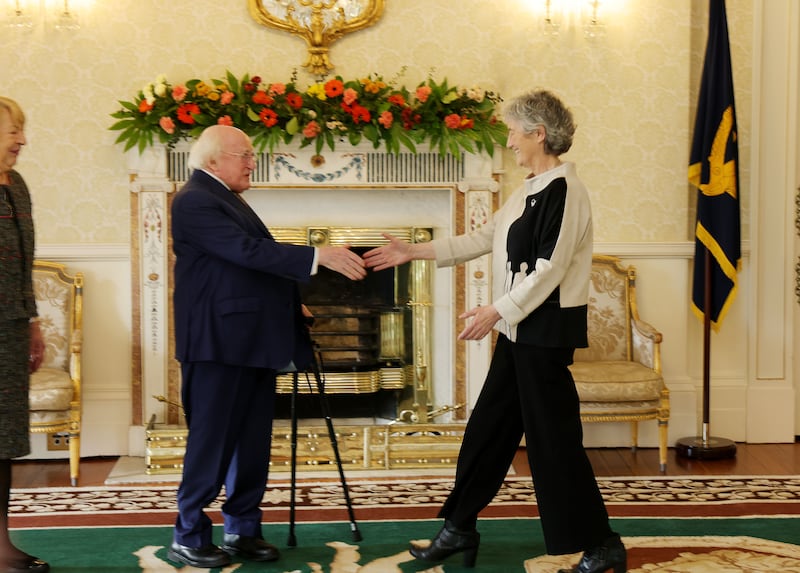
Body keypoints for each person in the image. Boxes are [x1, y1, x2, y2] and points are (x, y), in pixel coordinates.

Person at [364, 90, 626, 573]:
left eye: (513, 132)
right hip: (518, 332)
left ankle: (601, 542)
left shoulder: (567, 190)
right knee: (487, 431)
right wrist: (414, 252)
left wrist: (494, 310)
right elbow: (484, 238)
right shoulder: (528, 188)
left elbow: (550, 267)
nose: (508, 140)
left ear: (538, 134)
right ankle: (458, 529)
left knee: (553, 444)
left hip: (544, 334)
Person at [168, 125, 366, 569]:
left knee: (251, 444)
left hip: (251, 339)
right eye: (244, 155)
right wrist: (320, 256)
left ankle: (241, 529)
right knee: (212, 443)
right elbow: (246, 251)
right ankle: (188, 535)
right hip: (218, 344)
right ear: (214, 160)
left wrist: (294, 308)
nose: (251, 162)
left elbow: (249, 265)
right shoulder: (195, 199)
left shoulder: (227, 198)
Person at [0, 96, 48, 573]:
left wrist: (33, 324)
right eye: (14, 131)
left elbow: (24, 264)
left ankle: (1, 544)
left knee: (4, 441)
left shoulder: (18, 187)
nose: (22, 141)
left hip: (10, 331)